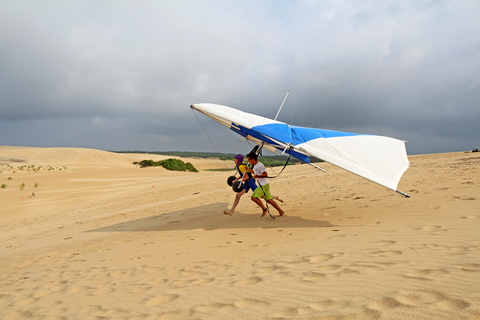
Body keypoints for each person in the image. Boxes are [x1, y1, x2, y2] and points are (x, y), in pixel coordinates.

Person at [246, 152, 285, 217]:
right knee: (269, 200)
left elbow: (265, 174)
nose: (248, 161)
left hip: (264, 185)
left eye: (249, 159)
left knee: (253, 197)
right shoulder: (255, 165)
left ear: (253, 159)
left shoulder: (260, 165)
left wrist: (257, 176)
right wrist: (249, 170)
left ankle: (264, 209)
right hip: (263, 184)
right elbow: (255, 172)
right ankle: (281, 211)